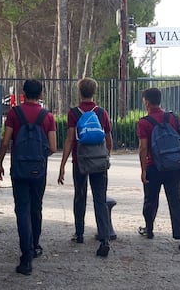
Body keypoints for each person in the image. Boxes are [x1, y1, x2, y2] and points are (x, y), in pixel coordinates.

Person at [0, 79, 57, 275]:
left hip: (19, 169)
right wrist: (38, 157)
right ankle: (35, 245)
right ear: (40, 95)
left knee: (22, 210)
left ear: (23, 93)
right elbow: (54, 147)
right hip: (38, 170)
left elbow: (5, 142)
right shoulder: (47, 116)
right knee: (36, 207)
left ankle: (26, 256)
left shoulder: (14, 113)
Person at [58, 77, 113, 257]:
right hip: (99, 162)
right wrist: (107, 156)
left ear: (79, 92)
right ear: (94, 92)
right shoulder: (102, 112)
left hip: (80, 161)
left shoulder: (74, 113)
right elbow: (108, 139)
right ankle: (104, 238)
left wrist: (63, 164)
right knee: (100, 199)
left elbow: (70, 139)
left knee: (79, 196)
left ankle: (79, 233)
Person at [136, 87, 180, 251]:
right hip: (174, 166)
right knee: (176, 200)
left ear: (146, 102)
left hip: (153, 167)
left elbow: (143, 148)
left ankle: (149, 229)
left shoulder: (144, 122)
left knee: (150, 199)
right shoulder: (173, 117)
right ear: (160, 100)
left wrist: (143, 169)